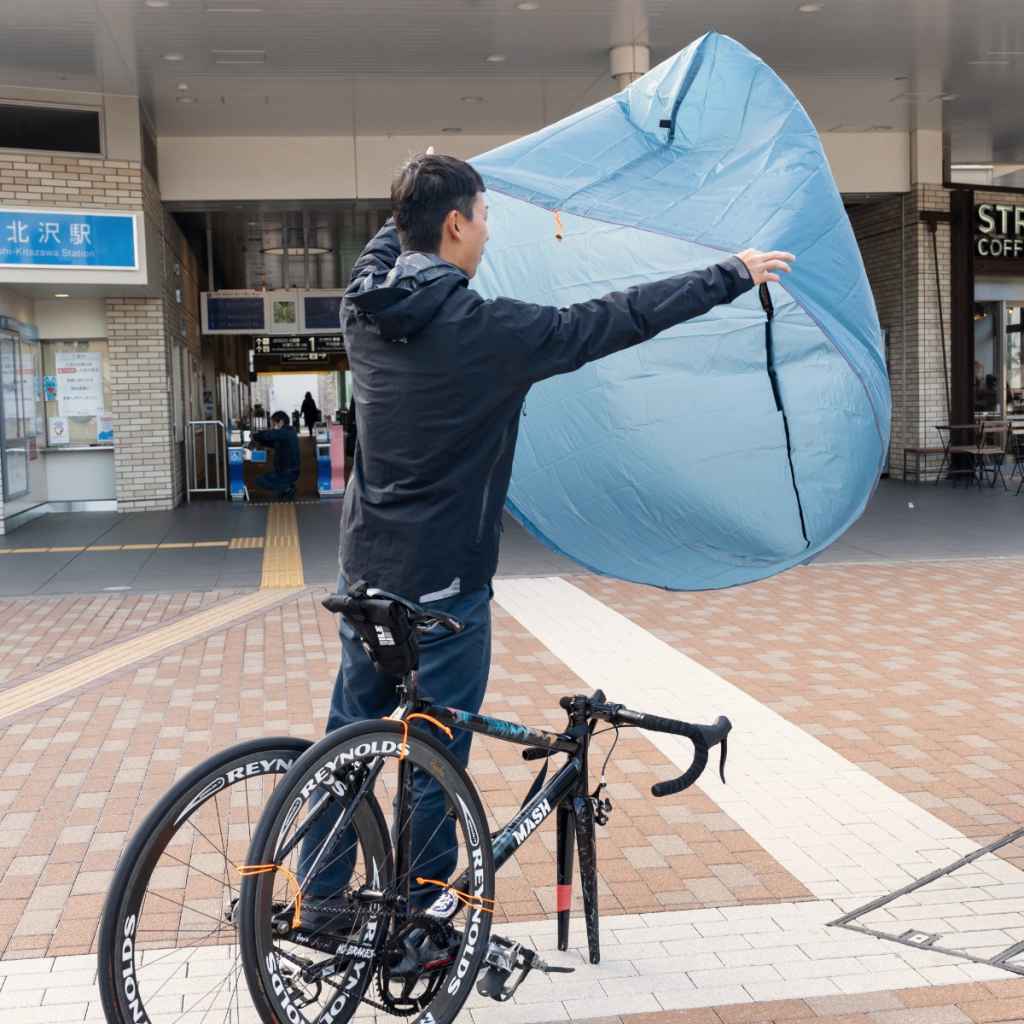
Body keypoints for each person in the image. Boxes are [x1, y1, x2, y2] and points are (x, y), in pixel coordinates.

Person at [301, 152, 793, 930]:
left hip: (364, 574)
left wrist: (414, 188)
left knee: (349, 745)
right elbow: (614, 318)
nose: (491, 232)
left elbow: (385, 245)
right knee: (432, 757)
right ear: (457, 224)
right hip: (446, 589)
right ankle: (417, 922)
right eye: (486, 215)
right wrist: (730, 273)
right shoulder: (488, 330)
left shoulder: (360, 307)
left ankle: (318, 905)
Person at [252, 410, 300, 501]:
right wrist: (261, 442)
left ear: (281, 422)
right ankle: (287, 486)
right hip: (288, 471)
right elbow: (273, 443)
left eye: (274, 424)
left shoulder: (285, 432)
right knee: (265, 478)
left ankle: (287, 488)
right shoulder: (289, 432)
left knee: (260, 480)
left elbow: (269, 435)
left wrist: (255, 436)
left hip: (288, 472)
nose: (273, 427)